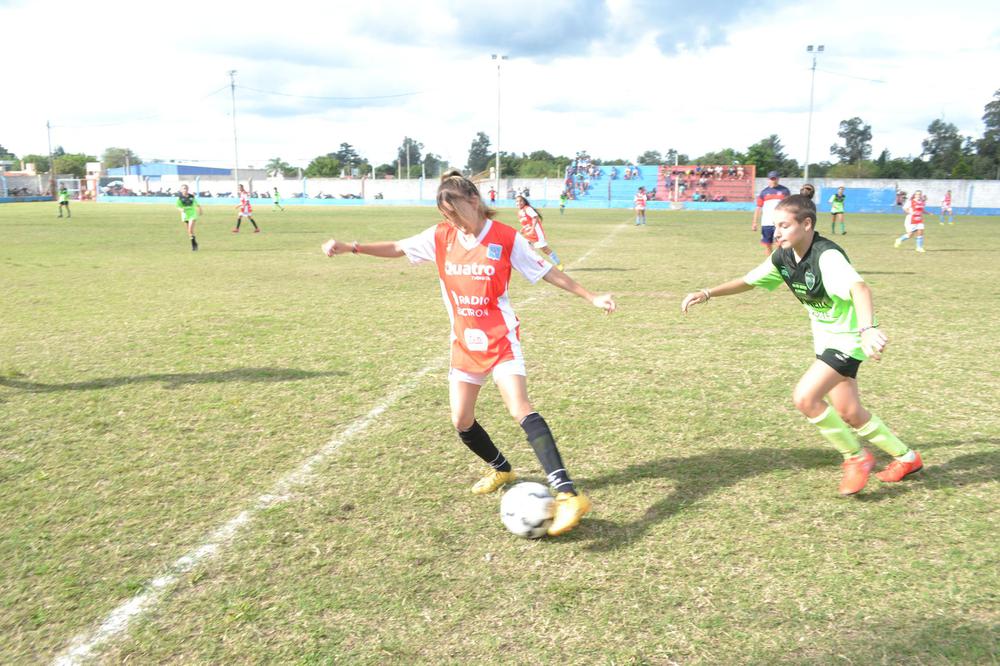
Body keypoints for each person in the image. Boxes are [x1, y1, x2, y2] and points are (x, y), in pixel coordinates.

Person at [320, 170, 616, 536]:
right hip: (463, 341)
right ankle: (501, 468)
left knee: (519, 407)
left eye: (455, 212)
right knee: (461, 420)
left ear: (473, 201)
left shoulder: (506, 238)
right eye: (445, 214)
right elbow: (397, 248)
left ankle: (568, 494)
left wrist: (591, 296)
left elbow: (547, 273)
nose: (451, 220)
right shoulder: (440, 236)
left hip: (499, 338)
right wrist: (353, 247)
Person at [681, 194, 922, 495]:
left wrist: (868, 329)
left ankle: (856, 458)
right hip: (826, 340)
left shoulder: (826, 256)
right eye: (775, 226)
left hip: (848, 340)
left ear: (807, 224)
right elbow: (750, 281)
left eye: (784, 225)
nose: (777, 232)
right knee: (849, 411)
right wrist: (707, 293)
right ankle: (907, 457)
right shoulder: (783, 257)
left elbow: (859, 288)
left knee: (805, 398)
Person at [516, 195, 563, 270]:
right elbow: (527, 223)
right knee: (527, 249)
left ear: (524, 202)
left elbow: (535, 218)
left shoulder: (528, 209)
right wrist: (523, 229)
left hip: (536, 233)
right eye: (517, 201)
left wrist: (532, 229)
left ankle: (558, 264)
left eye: (520, 201)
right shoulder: (519, 212)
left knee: (545, 249)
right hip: (528, 234)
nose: (519, 203)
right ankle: (538, 266)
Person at [751, 170, 790, 255]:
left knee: (779, 243)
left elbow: (789, 207)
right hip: (766, 222)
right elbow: (758, 208)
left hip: (779, 222)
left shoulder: (785, 191)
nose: (773, 180)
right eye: (771, 179)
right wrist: (754, 223)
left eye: (775, 178)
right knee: (767, 244)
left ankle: (779, 261)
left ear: (778, 179)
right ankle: (770, 262)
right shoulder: (764, 192)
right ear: (768, 179)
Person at [176, 184, 203, 251]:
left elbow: (197, 204)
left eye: (186, 188)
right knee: (189, 231)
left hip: (192, 213)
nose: (185, 190)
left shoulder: (191, 196)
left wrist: (200, 210)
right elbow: (178, 206)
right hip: (185, 214)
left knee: (190, 229)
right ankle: (194, 243)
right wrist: (181, 209)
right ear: (181, 190)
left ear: (188, 189)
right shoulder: (179, 198)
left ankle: (193, 246)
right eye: (183, 188)